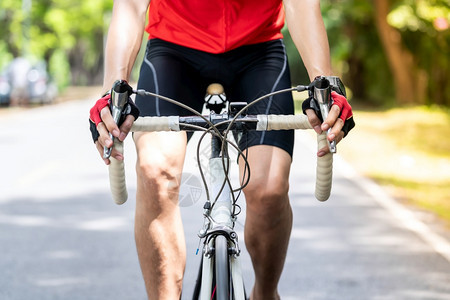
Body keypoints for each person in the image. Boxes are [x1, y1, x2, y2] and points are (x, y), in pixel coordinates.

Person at [89, 0, 355, 299]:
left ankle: (265, 293)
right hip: (174, 48)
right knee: (155, 172)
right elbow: (131, 6)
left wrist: (325, 83)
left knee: (268, 189)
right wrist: (113, 89)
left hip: (258, 48)